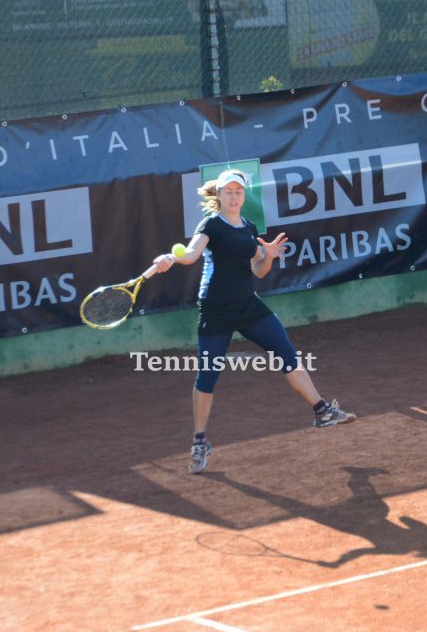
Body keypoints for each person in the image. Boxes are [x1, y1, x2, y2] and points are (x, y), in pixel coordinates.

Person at [153, 168, 356, 474]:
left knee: (288, 355)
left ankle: (322, 411)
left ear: (243, 195)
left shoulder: (249, 227)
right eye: (228, 191)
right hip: (216, 309)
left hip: (248, 305)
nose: (234, 196)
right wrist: (171, 258)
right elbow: (192, 254)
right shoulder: (211, 224)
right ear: (219, 195)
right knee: (207, 378)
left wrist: (269, 255)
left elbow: (258, 271)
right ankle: (199, 441)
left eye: (238, 191)